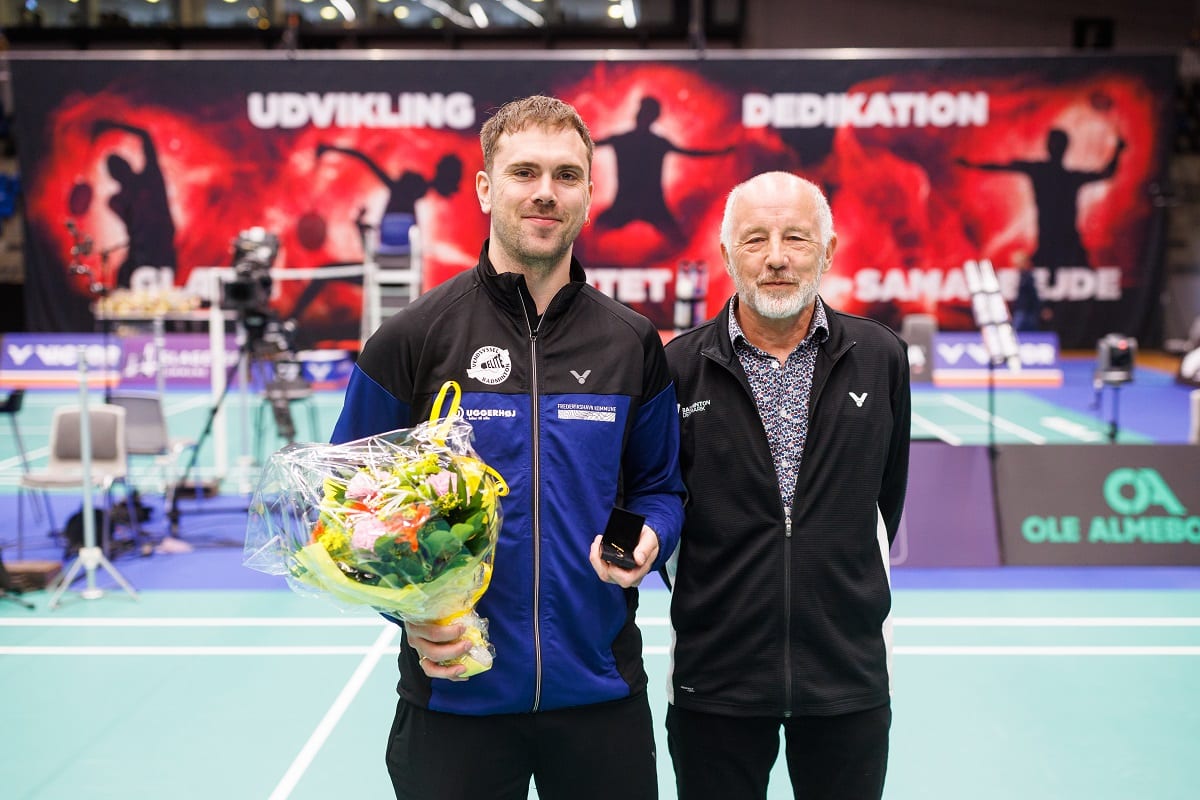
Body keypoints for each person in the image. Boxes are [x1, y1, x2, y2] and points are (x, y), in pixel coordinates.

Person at [330, 95, 685, 800]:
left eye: (566, 175)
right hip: (454, 699)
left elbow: (661, 489)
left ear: (590, 193)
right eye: (524, 172)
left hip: (600, 699)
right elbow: (346, 508)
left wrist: (650, 538)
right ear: (487, 188)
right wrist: (409, 612)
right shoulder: (412, 340)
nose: (546, 192)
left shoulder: (630, 343)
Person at [663, 171, 911, 800]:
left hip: (846, 678)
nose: (776, 258)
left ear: (827, 252)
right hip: (714, 682)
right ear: (725, 256)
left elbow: (887, 500)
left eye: (796, 239)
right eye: (754, 241)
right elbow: (664, 504)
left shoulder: (882, 358)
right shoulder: (676, 368)